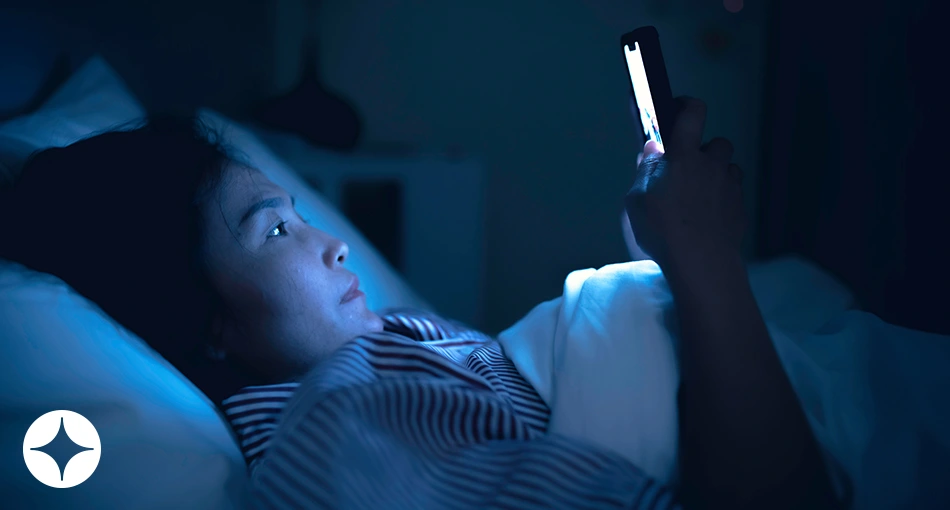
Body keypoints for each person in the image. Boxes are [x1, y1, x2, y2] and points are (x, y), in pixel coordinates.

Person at [0, 99, 837, 509]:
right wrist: (703, 263)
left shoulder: (370, 375)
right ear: (208, 324)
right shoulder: (341, 437)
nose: (330, 242)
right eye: (275, 230)